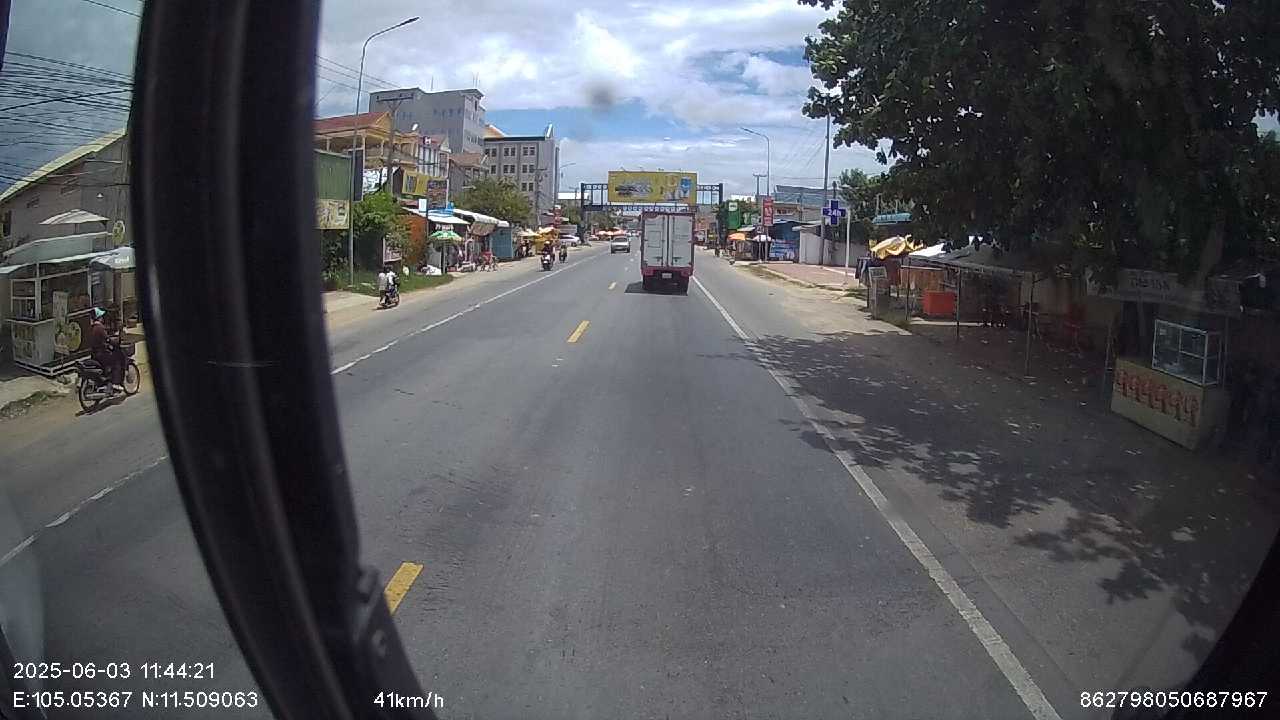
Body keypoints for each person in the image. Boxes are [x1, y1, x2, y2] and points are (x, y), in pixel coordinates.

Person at [88, 307, 123, 392]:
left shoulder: (92, 328)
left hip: (94, 354)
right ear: (99, 318)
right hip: (101, 354)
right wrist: (114, 342)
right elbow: (107, 339)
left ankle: (106, 382)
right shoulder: (100, 328)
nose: (103, 318)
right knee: (116, 361)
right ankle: (115, 383)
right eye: (101, 317)